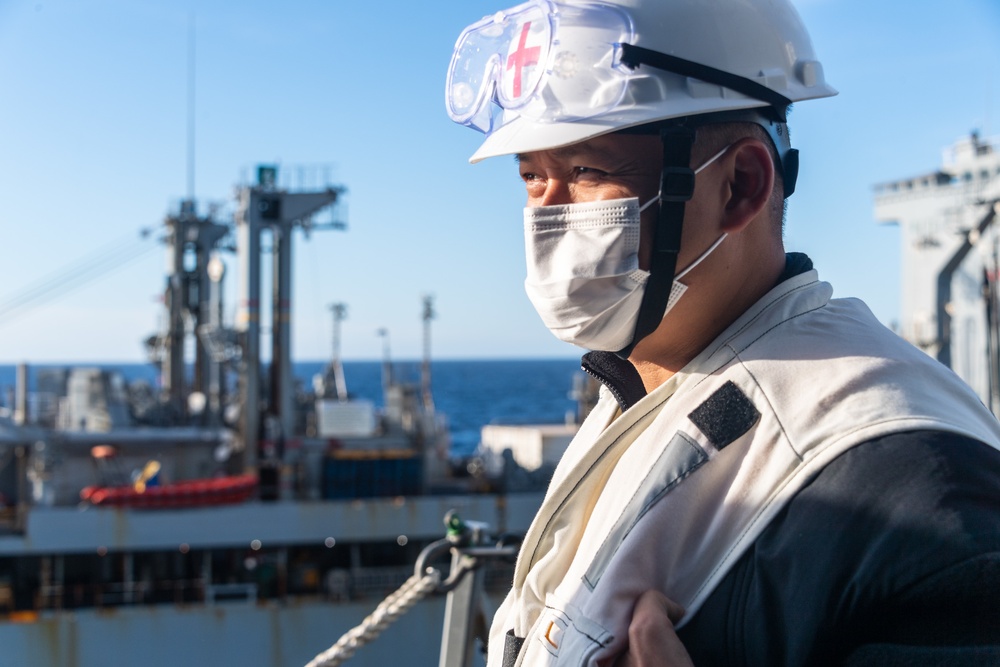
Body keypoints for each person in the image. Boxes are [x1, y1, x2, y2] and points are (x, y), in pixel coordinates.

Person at [445, 0, 1000, 665]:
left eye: (588, 172)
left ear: (740, 184)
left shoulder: (902, 473)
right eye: (533, 176)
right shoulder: (639, 398)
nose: (546, 212)